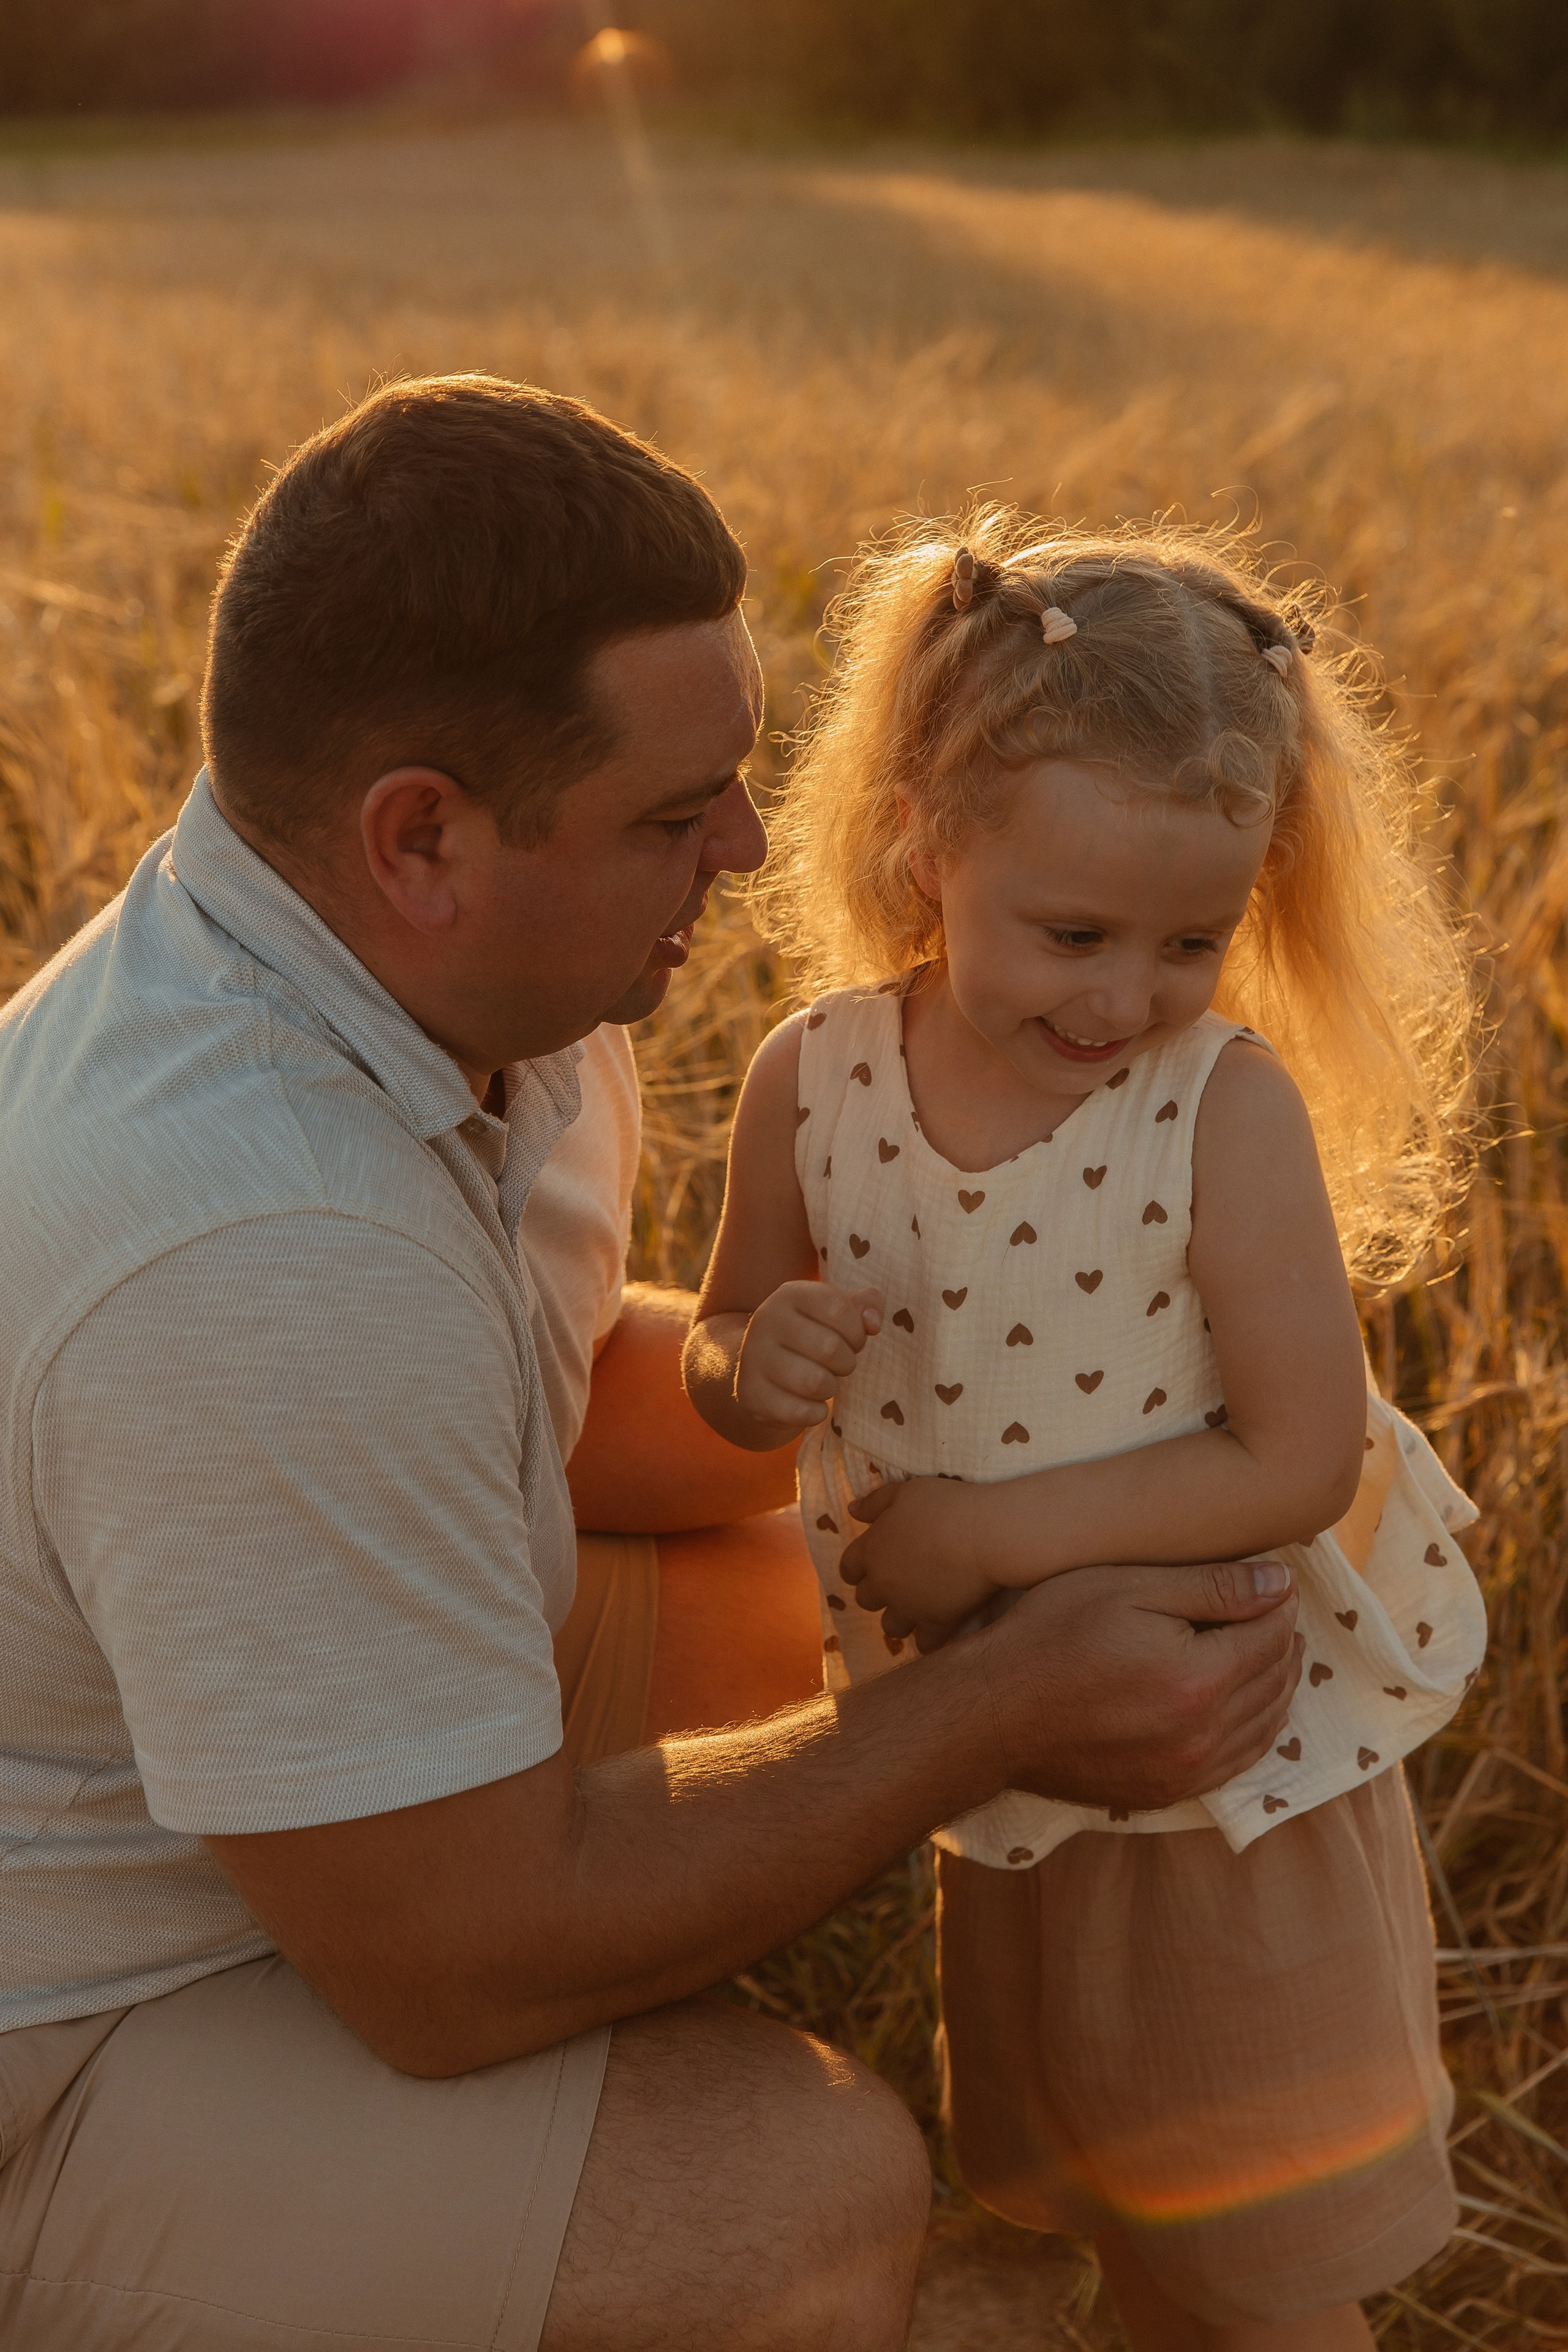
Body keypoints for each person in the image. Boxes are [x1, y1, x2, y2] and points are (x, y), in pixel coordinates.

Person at [0, 382, 1303, 2352]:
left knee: (773, 1599)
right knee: (790, 2200)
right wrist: (1001, 1705)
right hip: (56, 2017)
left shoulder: (475, 982)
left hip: (228, 1759)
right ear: (421, 838)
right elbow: (448, 1963)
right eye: (674, 814)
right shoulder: (262, 1243)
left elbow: (513, 1385)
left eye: (745, 773)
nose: (756, 844)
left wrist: (920, 1426)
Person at [684, 515, 1484, 2349]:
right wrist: (755, 1364)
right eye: (1072, 934)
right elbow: (720, 1340)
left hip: (1222, 1773)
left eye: (1192, 940)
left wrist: (981, 1538)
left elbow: (1297, 1456)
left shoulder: (1218, 1109)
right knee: (1120, 2227)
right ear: (925, 840)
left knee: (1255, 2274)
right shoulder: (817, 1078)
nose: (1124, 998)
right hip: (1000, 1772)